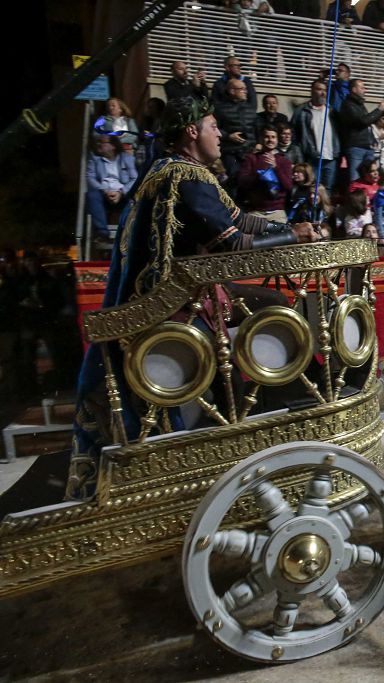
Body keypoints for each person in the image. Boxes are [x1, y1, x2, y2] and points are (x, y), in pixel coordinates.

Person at [68, 96, 322, 500]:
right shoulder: (185, 176)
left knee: (265, 304)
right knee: (271, 309)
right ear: (191, 132)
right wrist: (294, 237)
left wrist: (294, 225)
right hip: (174, 305)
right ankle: (260, 418)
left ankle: (269, 406)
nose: (219, 134)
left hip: (178, 295)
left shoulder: (172, 171)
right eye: (212, 126)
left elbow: (238, 217)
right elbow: (232, 242)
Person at [291, 79, 341, 191]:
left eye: (325, 90)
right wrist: (299, 157)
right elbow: (294, 136)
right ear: (312, 91)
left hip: (331, 158)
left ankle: (324, 209)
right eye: (319, 89)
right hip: (312, 158)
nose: (323, 93)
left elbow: (340, 133)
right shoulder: (302, 111)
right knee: (311, 188)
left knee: (327, 189)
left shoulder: (332, 111)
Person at [236, 126, 293, 221]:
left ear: (277, 140)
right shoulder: (251, 159)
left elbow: (288, 186)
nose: (270, 140)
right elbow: (242, 182)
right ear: (261, 139)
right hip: (256, 211)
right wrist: (260, 174)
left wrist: (276, 168)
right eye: (267, 137)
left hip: (277, 211)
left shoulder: (284, 161)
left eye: (273, 137)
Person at [85, 134, 138, 234]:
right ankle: (102, 232)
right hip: (104, 195)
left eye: (102, 142)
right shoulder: (95, 159)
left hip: (123, 195)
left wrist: (121, 192)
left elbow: (134, 178)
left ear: (113, 146)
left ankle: (130, 232)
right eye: (98, 142)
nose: (99, 144)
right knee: (91, 195)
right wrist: (105, 190)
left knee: (135, 196)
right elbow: (90, 177)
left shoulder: (127, 158)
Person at [338, 78, 384, 182]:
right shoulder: (348, 105)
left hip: (366, 146)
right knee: (355, 179)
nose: (365, 90)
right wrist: (379, 110)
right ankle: (356, 197)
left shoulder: (359, 104)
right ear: (354, 89)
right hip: (356, 147)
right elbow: (362, 122)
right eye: (362, 88)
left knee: (369, 179)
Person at [213, 78, 258, 183]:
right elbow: (214, 129)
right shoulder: (219, 109)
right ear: (232, 91)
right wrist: (228, 136)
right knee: (234, 183)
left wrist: (259, 143)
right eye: (242, 89)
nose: (245, 91)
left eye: (245, 89)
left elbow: (257, 128)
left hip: (250, 153)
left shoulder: (250, 108)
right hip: (231, 153)